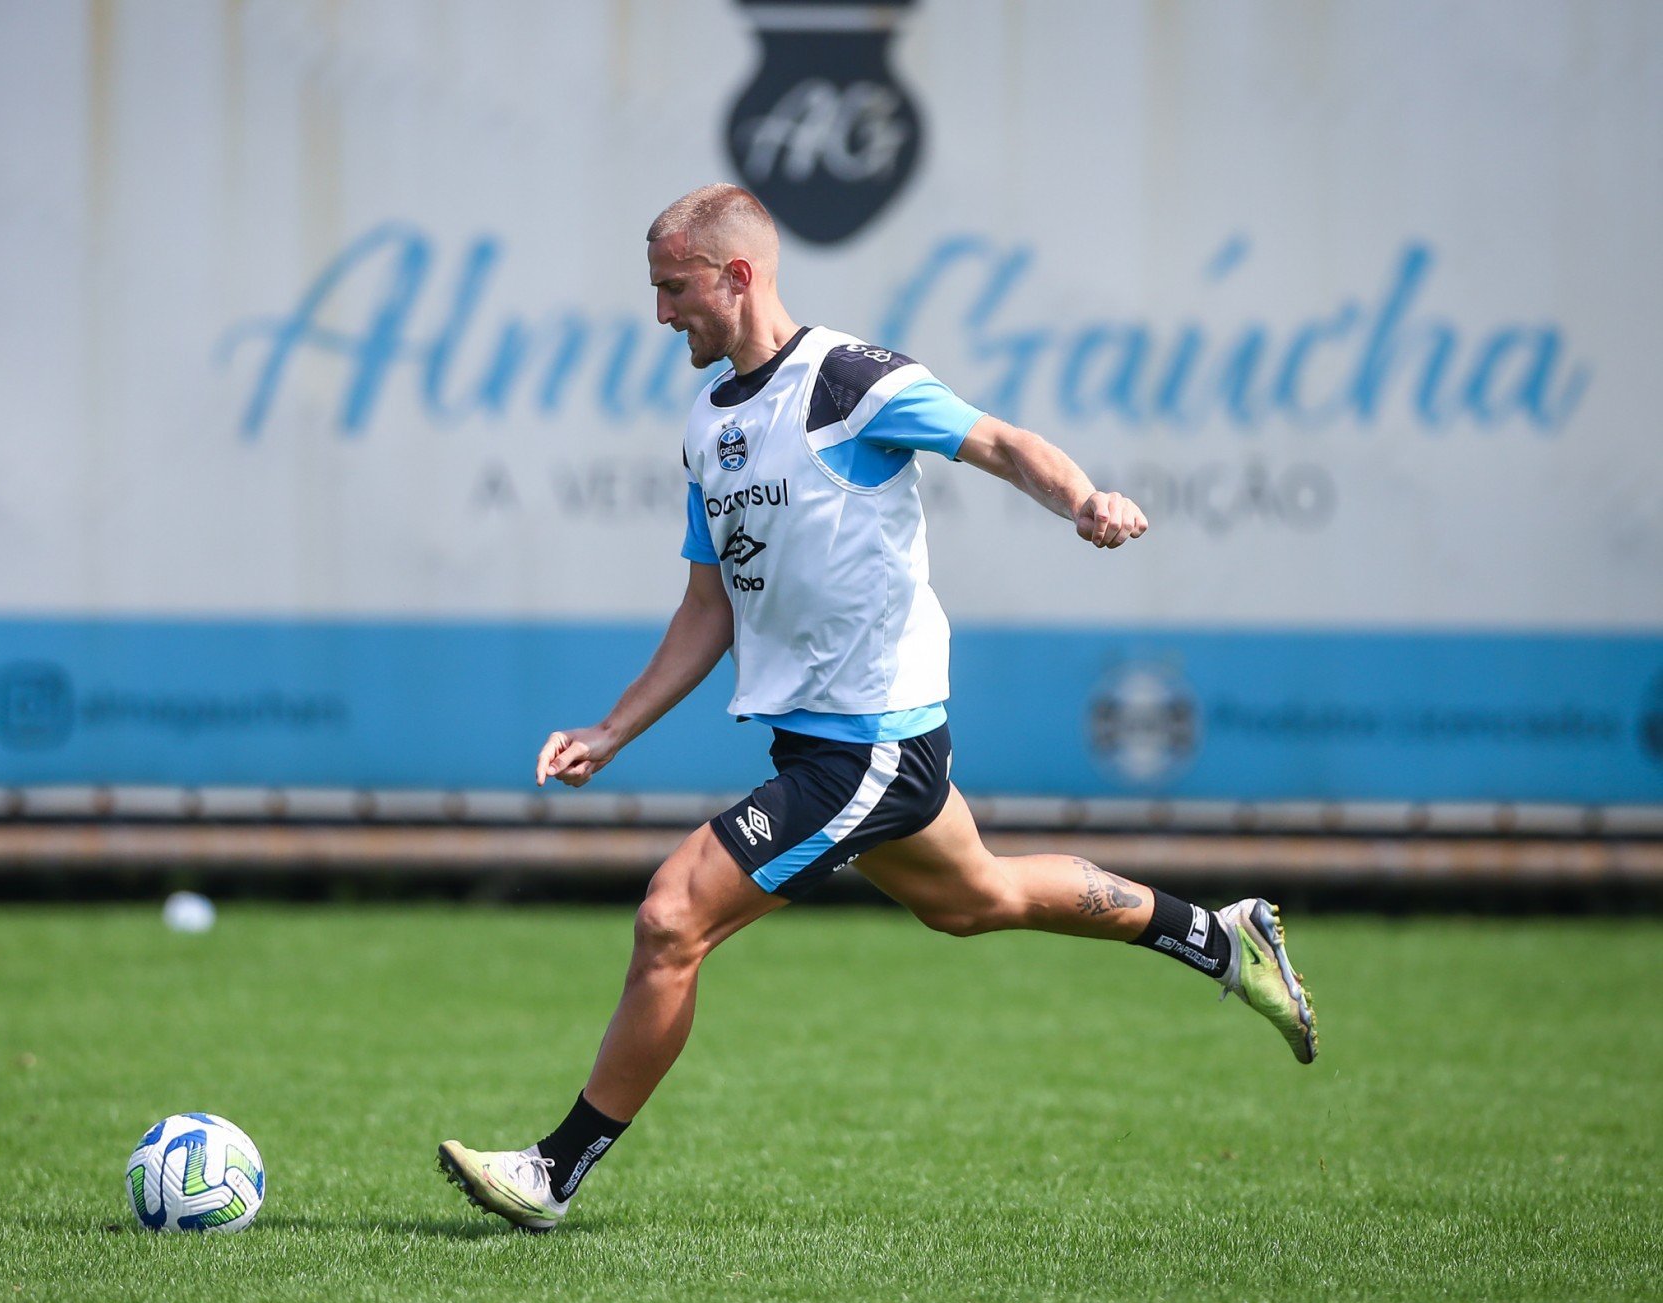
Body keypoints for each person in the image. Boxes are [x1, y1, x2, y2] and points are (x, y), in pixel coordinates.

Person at [439, 184, 1316, 1232]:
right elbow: (706, 605)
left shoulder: (848, 382)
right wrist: (612, 728)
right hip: (824, 742)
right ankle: (1223, 938)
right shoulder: (708, 424)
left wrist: (1084, 497)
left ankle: (554, 1168)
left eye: (674, 290)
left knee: (671, 918)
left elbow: (997, 441)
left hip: (868, 750)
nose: (662, 313)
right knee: (975, 897)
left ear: (738, 276)